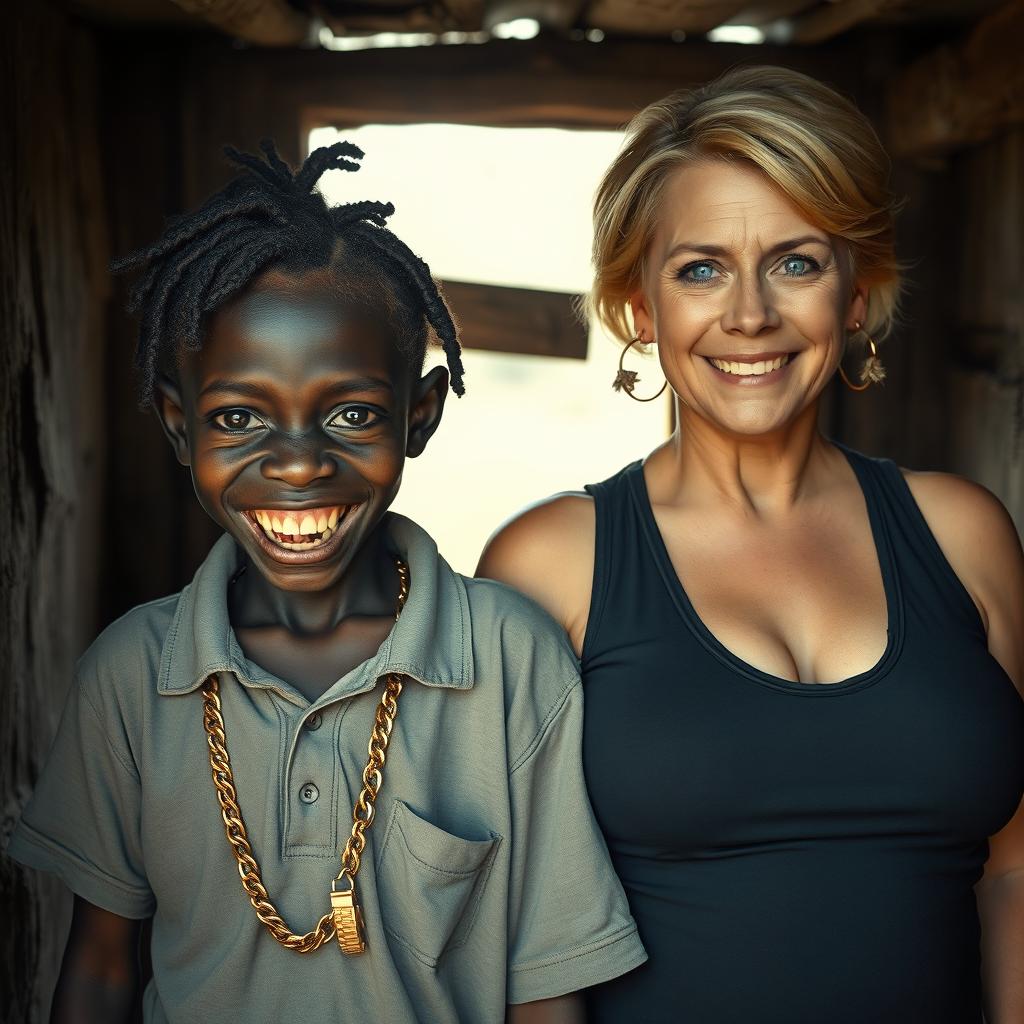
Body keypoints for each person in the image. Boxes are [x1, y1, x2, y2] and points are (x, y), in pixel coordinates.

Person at [7, 140, 646, 1024]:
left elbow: (547, 990)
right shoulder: (130, 674)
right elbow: (101, 969)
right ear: (176, 423)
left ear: (418, 415)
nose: (299, 466)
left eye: (351, 415)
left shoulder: (509, 661)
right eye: (238, 418)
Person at [477, 67, 1024, 1023]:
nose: (749, 315)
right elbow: (528, 938)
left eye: (796, 262)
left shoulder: (965, 535)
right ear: (639, 310)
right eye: (699, 270)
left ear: (858, 293)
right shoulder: (552, 565)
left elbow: (1017, 878)